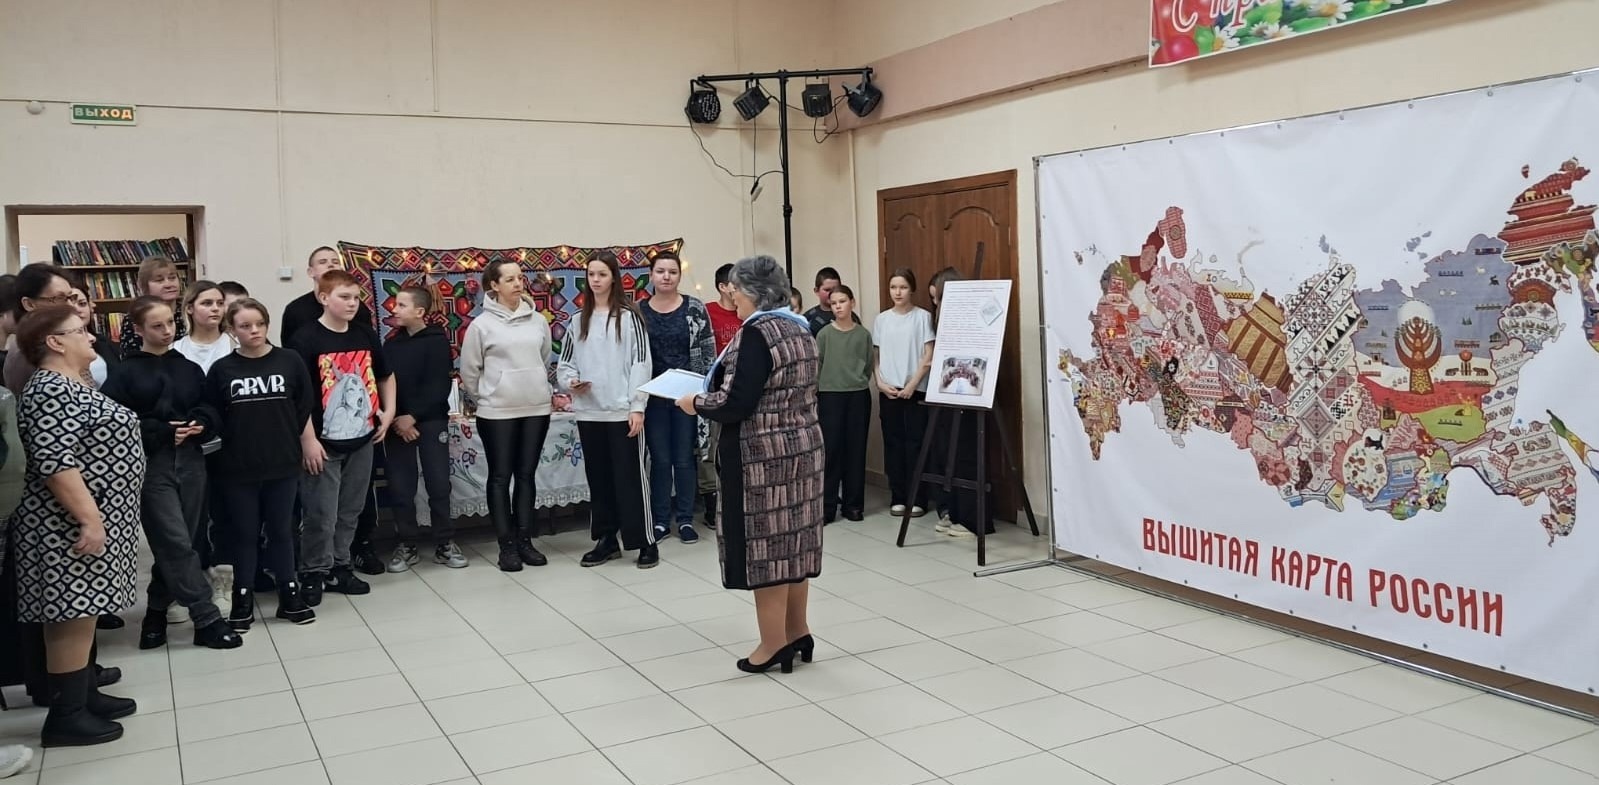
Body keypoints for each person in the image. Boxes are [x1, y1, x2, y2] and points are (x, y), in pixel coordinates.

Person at [677, 255, 824, 674]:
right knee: (795, 544)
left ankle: (773, 643)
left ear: (754, 293)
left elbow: (735, 402)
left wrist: (695, 402)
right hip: (803, 450)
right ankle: (798, 631)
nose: (732, 296)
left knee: (767, 548)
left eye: (736, 289)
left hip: (763, 459)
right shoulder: (800, 327)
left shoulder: (758, 333)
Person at [12, 305, 142, 747]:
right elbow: (55, 464)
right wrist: (89, 518)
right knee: (71, 614)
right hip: (64, 526)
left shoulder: (71, 383)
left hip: (89, 520)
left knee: (83, 612)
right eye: (79, 331)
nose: (90, 337)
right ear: (54, 342)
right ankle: (66, 716)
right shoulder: (49, 389)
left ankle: (84, 694)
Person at [101, 298, 240, 651]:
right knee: (174, 541)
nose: (166, 331)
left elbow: (210, 406)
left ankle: (156, 611)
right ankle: (206, 617)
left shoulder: (188, 367)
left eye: (170, 323)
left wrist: (201, 423)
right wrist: (161, 432)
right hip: (151, 464)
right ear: (138, 329)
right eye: (156, 326)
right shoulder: (125, 373)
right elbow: (113, 423)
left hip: (192, 460)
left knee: (186, 543)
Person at [206, 299, 316, 630]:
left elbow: (303, 404)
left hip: (282, 464)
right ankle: (243, 597)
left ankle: (290, 593)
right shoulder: (222, 369)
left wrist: (298, 441)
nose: (254, 331)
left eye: (259, 324)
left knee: (282, 530)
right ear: (231, 330)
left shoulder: (289, 360)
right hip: (238, 468)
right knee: (244, 534)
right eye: (245, 326)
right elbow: (213, 413)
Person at [285, 270, 394, 604]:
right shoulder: (305, 339)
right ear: (323, 298)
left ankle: (340, 565)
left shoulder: (364, 333)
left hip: (362, 438)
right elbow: (298, 397)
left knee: (351, 509)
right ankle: (314, 570)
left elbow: (385, 374)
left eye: (355, 297)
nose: (352, 303)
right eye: (344, 297)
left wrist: (389, 411)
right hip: (322, 441)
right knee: (321, 512)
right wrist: (308, 439)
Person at [557, 250, 657, 569]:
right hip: (589, 412)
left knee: (630, 478)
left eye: (602, 274)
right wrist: (571, 382)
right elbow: (565, 364)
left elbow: (641, 363)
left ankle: (644, 541)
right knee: (599, 479)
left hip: (621, 411)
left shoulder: (629, 318)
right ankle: (606, 539)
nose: (596, 280)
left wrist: (637, 406)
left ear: (614, 278)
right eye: (591, 275)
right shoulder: (578, 320)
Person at [387, 285, 468, 572]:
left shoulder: (436, 342)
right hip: (398, 425)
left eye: (402, 305)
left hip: (431, 421)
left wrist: (414, 416)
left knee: (438, 483)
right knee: (401, 486)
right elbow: (386, 384)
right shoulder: (391, 345)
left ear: (419, 311)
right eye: (395, 304)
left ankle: (444, 542)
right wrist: (399, 419)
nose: (394, 309)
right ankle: (407, 543)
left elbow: (439, 385)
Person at [639, 252, 715, 544]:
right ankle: (660, 521)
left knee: (684, 459)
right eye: (660, 271)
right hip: (653, 397)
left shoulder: (694, 308)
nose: (666, 276)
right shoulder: (638, 310)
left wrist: (703, 392)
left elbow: (708, 350)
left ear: (679, 276)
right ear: (651, 275)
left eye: (672, 271)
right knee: (660, 460)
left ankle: (685, 520)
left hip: (687, 397)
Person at [174, 281, 239, 611]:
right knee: (192, 517)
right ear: (189, 308)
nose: (215, 309)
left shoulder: (235, 344)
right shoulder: (177, 350)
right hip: (191, 446)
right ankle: (189, 584)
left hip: (232, 443)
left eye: (219, 303)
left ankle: (224, 580)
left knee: (226, 512)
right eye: (207, 303)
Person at [874, 267, 936, 518]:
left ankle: (918, 498)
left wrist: (913, 384)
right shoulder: (882, 319)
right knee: (893, 445)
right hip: (889, 391)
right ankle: (898, 496)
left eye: (902, 287)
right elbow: (876, 356)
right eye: (893, 287)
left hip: (915, 391)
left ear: (912, 289)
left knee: (916, 445)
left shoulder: (922, 317)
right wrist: (879, 382)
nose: (897, 292)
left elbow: (928, 355)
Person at [816, 284, 872, 523]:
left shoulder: (863, 335)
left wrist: (857, 378)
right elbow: (818, 365)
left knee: (856, 451)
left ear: (852, 303)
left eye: (842, 301)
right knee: (832, 451)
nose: (838, 306)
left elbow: (868, 365)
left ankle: (853, 505)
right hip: (830, 395)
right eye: (834, 303)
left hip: (857, 394)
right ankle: (827, 506)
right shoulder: (824, 335)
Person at [698, 263, 742, 530]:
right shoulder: (708, 312)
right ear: (723, 287)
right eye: (736, 283)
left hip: (741, 388)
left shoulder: (747, 313)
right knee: (711, 445)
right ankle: (710, 499)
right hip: (714, 388)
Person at [4, 264, 75, 397]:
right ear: (29, 304)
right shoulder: (29, 350)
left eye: (71, 298)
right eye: (60, 298)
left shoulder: (53, 339)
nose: (71, 306)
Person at [280, 246, 373, 345]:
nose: (330, 265)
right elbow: (289, 349)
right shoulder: (295, 310)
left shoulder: (358, 308)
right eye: (322, 262)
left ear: (341, 270)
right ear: (310, 272)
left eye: (335, 262)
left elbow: (368, 341)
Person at [117, 256, 187, 356]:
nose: (168, 285)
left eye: (172, 278)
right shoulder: (135, 317)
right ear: (144, 286)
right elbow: (130, 357)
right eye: (159, 280)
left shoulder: (188, 311)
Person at [803, 266, 841, 335]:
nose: (832, 293)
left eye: (835, 289)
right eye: (827, 290)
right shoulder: (808, 318)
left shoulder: (848, 316)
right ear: (816, 291)